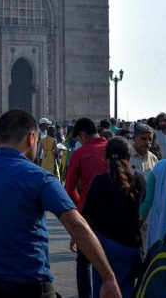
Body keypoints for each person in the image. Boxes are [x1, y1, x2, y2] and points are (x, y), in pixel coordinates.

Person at [0, 109, 122, 298]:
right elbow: (76, 225)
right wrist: (108, 277)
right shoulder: (40, 178)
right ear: (31, 137)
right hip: (31, 285)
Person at [81, 137, 146, 297]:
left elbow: (87, 215)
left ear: (106, 158)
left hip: (102, 248)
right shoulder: (138, 181)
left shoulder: (99, 182)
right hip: (130, 246)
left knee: (102, 289)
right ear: (129, 158)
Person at [65, 117, 109, 298]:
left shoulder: (80, 154)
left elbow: (69, 188)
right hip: (116, 211)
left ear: (82, 135)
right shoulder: (114, 148)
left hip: (88, 213)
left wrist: (79, 205)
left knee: (84, 261)